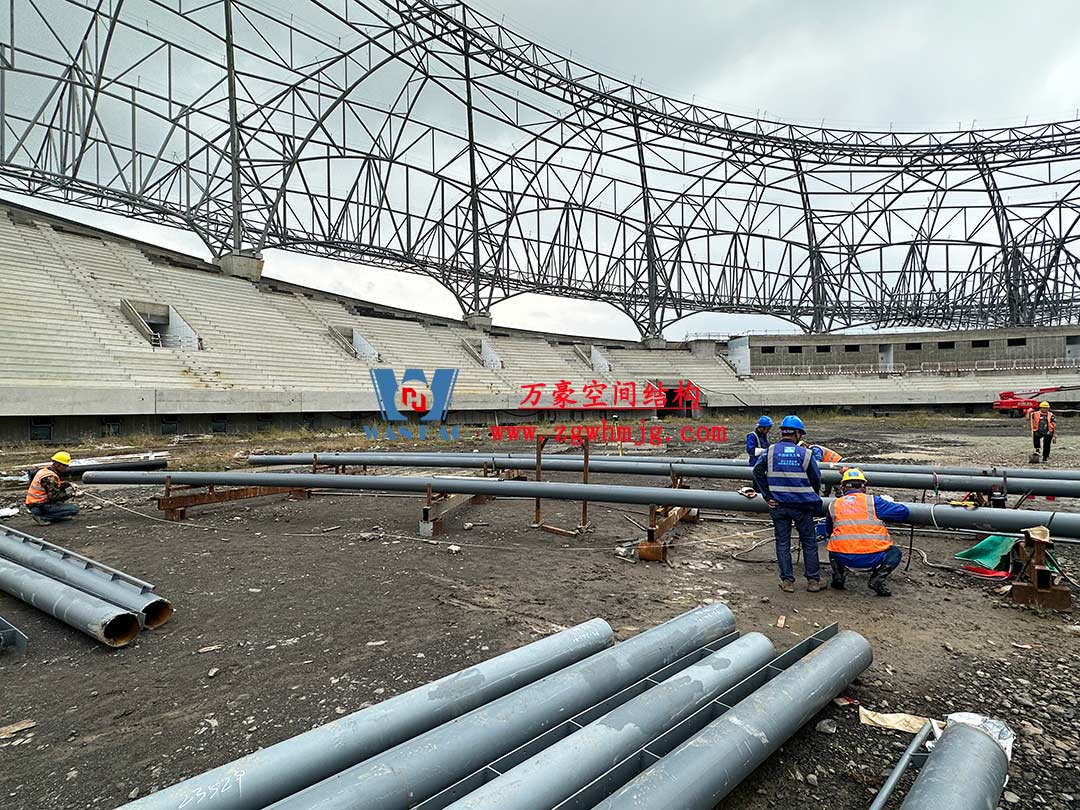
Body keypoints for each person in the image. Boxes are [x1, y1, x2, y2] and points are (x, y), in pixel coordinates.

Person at [753, 415, 824, 593]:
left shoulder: (770, 451)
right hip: (802, 505)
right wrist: (812, 495)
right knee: (809, 542)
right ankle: (813, 581)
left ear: (783, 432)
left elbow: (757, 471)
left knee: (782, 543)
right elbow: (816, 478)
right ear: (798, 434)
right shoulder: (805, 453)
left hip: (778, 505)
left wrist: (767, 495)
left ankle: (787, 581)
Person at [825, 468, 910, 596]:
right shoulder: (874, 502)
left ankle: (838, 576)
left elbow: (828, 531)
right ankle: (878, 578)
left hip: (843, 556)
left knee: (833, 544)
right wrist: (887, 504)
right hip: (872, 557)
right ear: (864, 487)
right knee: (895, 553)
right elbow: (904, 512)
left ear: (843, 487)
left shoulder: (833, 505)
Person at [25, 451, 81, 524]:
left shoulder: (45, 471)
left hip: (34, 504)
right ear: (57, 464)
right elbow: (54, 497)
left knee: (61, 493)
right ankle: (43, 517)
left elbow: (55, 485)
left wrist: (70, 484)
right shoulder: (50, 477)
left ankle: (53, 516)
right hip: (39, 506)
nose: (65, 468)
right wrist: (72, 495)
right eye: (64, 465)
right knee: (74, 509)